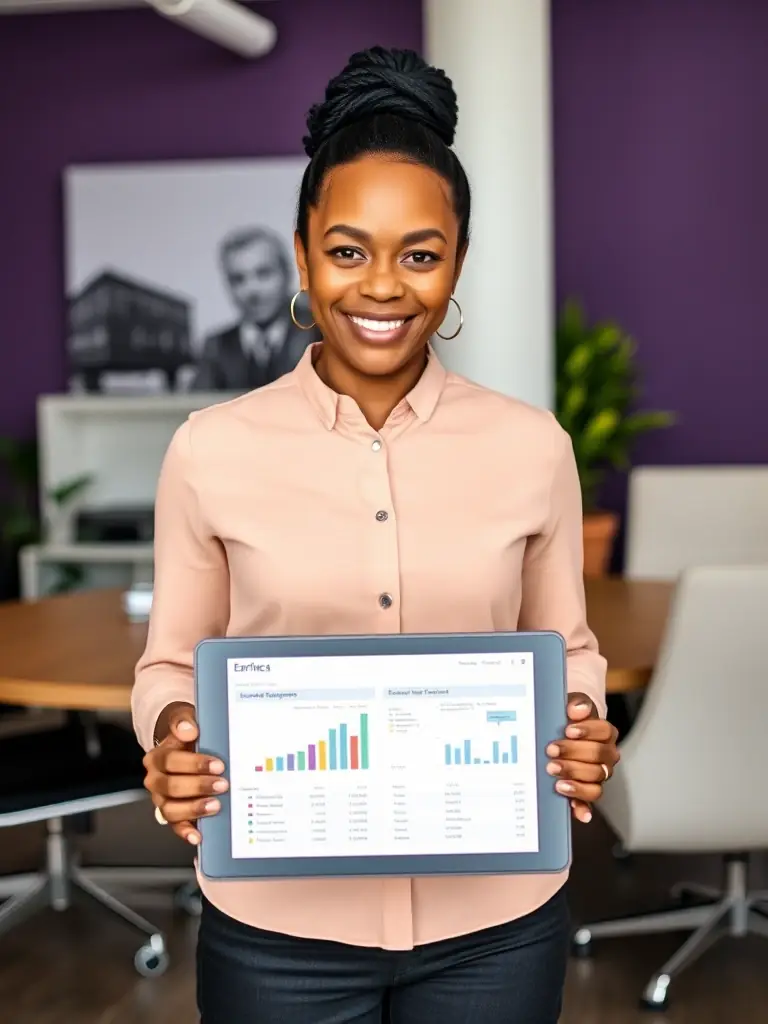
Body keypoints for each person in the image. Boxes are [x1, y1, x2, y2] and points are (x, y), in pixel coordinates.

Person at [134, 46, 619, 1024]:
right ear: (305, 253)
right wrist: (169, 736)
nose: (384, 287)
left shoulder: (534, 448)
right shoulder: (209, 450)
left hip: (498, 925)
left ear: (458, 260)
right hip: (278, 930)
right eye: (349, 250)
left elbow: (569, 650)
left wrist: (580, 724)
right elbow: (171, 665)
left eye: (421, 253)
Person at [191, 225, 319, 391]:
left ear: (286, 275)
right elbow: (195, 409)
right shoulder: (216, 347)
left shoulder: (320, 333)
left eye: (263, 274)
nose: (252, 290)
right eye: (238, 279)